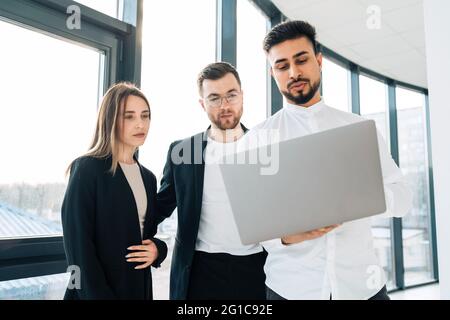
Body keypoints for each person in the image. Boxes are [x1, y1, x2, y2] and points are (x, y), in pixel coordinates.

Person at [239, 20, 413, 300]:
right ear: (273, 74)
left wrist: (358, 196)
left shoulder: (359, 129)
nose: (294, 72)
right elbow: (248, 226)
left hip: (362, 288)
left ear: (319, 61)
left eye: (302, 60)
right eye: (282, 66)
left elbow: (403, 199)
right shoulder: (257, 140)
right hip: (291, 289)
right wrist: (286, 236)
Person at [155, 62, 267, 300]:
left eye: (231, 95)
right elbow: (159, 208)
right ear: (202, 103)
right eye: (214, 98)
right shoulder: (183, 151)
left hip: (256, 268)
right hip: (200, 271)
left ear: (242, 96)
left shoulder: (266, 147)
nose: (225, 105)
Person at [61, 82, 167, 299]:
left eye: (145, 116)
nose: (140, 124)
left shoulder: (148, 177)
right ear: (110, 120)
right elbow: (79, 251)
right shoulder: (86, 169)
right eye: (129, 116)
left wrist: (158, 249)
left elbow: (144, 233)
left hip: (137, 289)